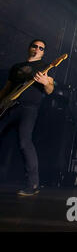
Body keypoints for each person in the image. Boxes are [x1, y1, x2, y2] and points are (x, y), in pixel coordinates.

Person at [0, 39, 54, 196]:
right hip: (9, 107)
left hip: (29, 109)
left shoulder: (45, 67)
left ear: (43, 52)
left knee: (25, 143)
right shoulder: (16, 67)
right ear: (29, 48)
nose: (37, 49)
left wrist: (45, 83)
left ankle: (33, 184)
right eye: (35, 46)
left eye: (41, 48)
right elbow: (6, 89)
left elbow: (50, 88)